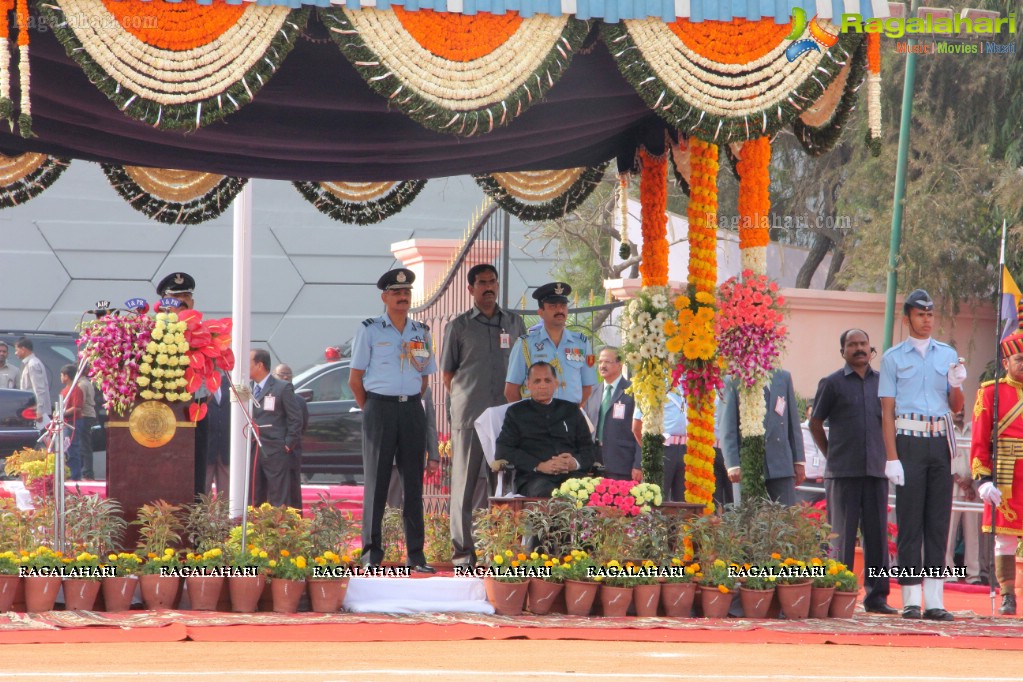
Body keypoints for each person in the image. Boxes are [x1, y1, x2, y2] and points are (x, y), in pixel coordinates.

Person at [879, 288, 966, 621]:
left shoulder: (947, 354)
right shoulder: (893, 358)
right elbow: (887, 411)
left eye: (930, 314)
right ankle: (911, 599)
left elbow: (956, 407)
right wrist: (891, 457)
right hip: (909, 441)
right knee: (910, 522)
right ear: (907, 318)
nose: (927, 320)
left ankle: (935, 601)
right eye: (920, 314)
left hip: (940, 442)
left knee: (938, 522)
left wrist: (956, 383)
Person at [349, 267, 436, 573]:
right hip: (380, 410)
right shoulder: (370, 330)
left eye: (407, 292)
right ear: (384, 297)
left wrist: (407, 400)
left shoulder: (421, 331)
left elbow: (424, 379)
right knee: (377, 483)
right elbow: (355, 379)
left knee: (413, 483)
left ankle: (416, 555)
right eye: (396, 292)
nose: (402, 297)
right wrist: (373, 408)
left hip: (411, 409)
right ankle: (371, 555)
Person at [442, 263, 525, 567]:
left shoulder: (514, 323)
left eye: (493, 282)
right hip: (470, 416)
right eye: (482, 283)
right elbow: (448, 373)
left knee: (503, 487)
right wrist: (465, 400)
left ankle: (498, 551)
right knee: (464, 487)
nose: (488, 288)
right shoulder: (459, 326)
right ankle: (463, 555)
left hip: (506, 418)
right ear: (471, 289)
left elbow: (524, 367)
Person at [810, 328, 896, 615]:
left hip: (875, 471)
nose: (859, 348)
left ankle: (877, 598)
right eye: (852, 344)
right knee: (841, 537)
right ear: (843, 351)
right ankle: (839, 594)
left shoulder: (884, 383)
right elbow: (815, 423)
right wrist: (831, 454)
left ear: (870, 348)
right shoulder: (832, 383)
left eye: (863, 344)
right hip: (842, 473)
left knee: (877, 537)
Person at [970, 321, 1023, 615]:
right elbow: (979, 439)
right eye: (1019, 359)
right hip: (1005, 473)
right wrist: (982, 480)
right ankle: (1007, 595)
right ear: (1005, 362)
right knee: (1005, 537)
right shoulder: (992, 393)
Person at [496, 362, 594, 497]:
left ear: (556, 383)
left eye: (547, 380)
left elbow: (589, 448)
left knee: (588, 493)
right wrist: (539, 465)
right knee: (548, 493)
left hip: (572, 476)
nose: (542, 385)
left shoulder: (571, 410)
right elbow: (504, 450)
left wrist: (574, 463)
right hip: (535, 478)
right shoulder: (516, 413)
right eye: (537, 381)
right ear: (528, 384)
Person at [720, 368, 805, 505]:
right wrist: (732, 464)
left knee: (785, 520)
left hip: (781, 464)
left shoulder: (783, 377)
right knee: (748, 521)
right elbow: (727, 426)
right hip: (748, 466)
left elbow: (793, 422)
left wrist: (798, 460)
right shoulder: (735, 380)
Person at [504, 281, 595, 407]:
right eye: (553, 306)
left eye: (563, 305)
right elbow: (511, 390)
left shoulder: (581, 343)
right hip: (536, 420)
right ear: (541, 312)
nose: (559, 310)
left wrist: (573, 414)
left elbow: (587, 387)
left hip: (568, 419)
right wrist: (524, 418)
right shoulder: (525, 344)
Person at [250, 349, 304, 509]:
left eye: (248, 363)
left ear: (259, 365)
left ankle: (277, 531)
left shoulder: (282, 387)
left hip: (276, 450)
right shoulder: (246, 387)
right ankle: (254, 529)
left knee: (278, 497)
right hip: (254, 450)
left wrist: (287, 444)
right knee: (254, 495)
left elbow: (296, 419)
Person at [586, 347, 641, 481]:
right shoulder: (592, 391)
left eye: (607, 362)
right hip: (594, 463)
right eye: (600, 362)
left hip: (622, 463)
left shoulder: (632, 391)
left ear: (619, 364)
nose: (602, 366)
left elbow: (640, 430)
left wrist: (638, 464)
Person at [386, 386, 441, 508]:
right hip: (392, 456)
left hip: (415, 455)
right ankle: (392, 527)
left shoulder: (423, 388)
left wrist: (433, 455)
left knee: (412, 503)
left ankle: (409, 527)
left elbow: (430, 423)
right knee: (393, 504)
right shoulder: (388, 385)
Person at [632, 384, 686, 501]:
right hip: (662, 449)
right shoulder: (652, 381)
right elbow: (636, 428)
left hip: (687, 450)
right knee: (656, 501)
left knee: (685, 504)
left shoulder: (688, 381)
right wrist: (651, 451)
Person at [946, 409, 982, 586]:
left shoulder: (973, 428)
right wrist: (961, 482)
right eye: (956, 409)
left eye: (962, 408)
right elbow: (943, 459)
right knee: (948, 531)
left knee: (972, 532)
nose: (960, 412)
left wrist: (970, 481)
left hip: (972, 488)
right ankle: (948, 572)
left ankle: (973, 574)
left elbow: (979, 455)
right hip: (952, 485)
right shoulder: (946, 429)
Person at [274, 363, 307, 509]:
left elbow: (302, 426)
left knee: (293, 493)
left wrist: (289, 443)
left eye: (288, 374)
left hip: (292, 452)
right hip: (273, 453)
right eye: (282, 374)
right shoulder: (269, 397)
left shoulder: (299, 401)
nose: (286, 376)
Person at [201, 368, 233, 500]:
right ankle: (203, 518)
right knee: (204, 487)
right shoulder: (201, 382)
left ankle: (225, 519)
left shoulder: (230, 382)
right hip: (207, 444)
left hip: (225, 444)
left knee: (226, 490)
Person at [15, 337, 50, 431]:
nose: (15, 353)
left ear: (23, 349)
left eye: (17, 350)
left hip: (35, 411)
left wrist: (39, 411)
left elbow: (39, 389)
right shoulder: (30, 363)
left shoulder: (33, 364)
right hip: (30, 409)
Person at [59, 365, 84, 480]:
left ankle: (75, 475)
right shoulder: (64, 390)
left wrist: (62, 413)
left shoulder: (76, 390)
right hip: (65, 423)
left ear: (67, 376)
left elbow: (77, 407)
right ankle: (68, 473)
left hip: (73, 423)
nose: (61, 377)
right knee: (65, 449)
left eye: (62, 375)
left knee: (72, 448)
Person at [798, 401, 826, 505]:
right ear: (806, 413)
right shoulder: (800, 430)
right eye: (811, 412)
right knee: (803, 517)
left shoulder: (827, 429)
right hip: (807, 484)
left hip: (824, 483)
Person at [77, 370, 97, 480]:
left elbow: (81, 402)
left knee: (84, 445)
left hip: (85, 415)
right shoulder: (87, 382)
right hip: (89, 415)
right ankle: (86, 470)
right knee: (84, 444)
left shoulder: (82, 384)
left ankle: (87, 472)